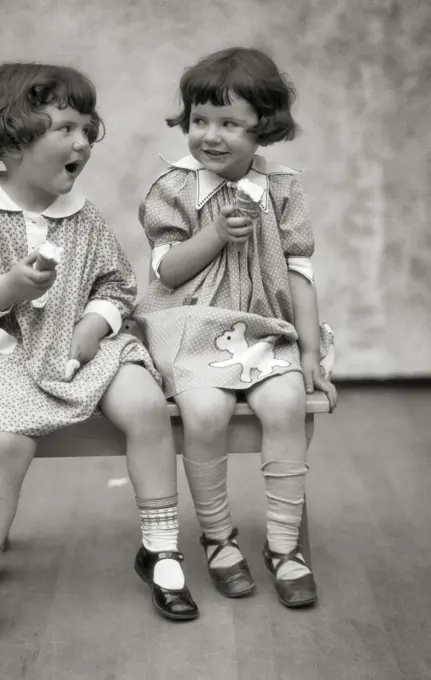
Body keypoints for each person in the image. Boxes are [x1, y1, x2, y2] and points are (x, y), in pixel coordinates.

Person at [0, 62, 198, 656]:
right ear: (12, 138)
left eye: (87, 128)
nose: (82, 142)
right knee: (6, 440)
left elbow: (116, 285)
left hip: (83, 347)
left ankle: (160, 547)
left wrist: (94, 323)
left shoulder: (82, 214)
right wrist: (8, 290)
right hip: (3, 352)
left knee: (146, 404)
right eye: (64, 129)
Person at [134, 47, 337, 608]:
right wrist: (217, 233)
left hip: (266, 327)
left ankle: (283, 545)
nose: (210, 135)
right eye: (200, 120)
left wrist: (312, 351)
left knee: (285, 401)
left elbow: (298, 274)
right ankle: (219, 538)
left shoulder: (283, 190)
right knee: (204, 412)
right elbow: (170, 271)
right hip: (190, 324)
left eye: (229, 123)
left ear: (264, 128)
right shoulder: (173, 189)